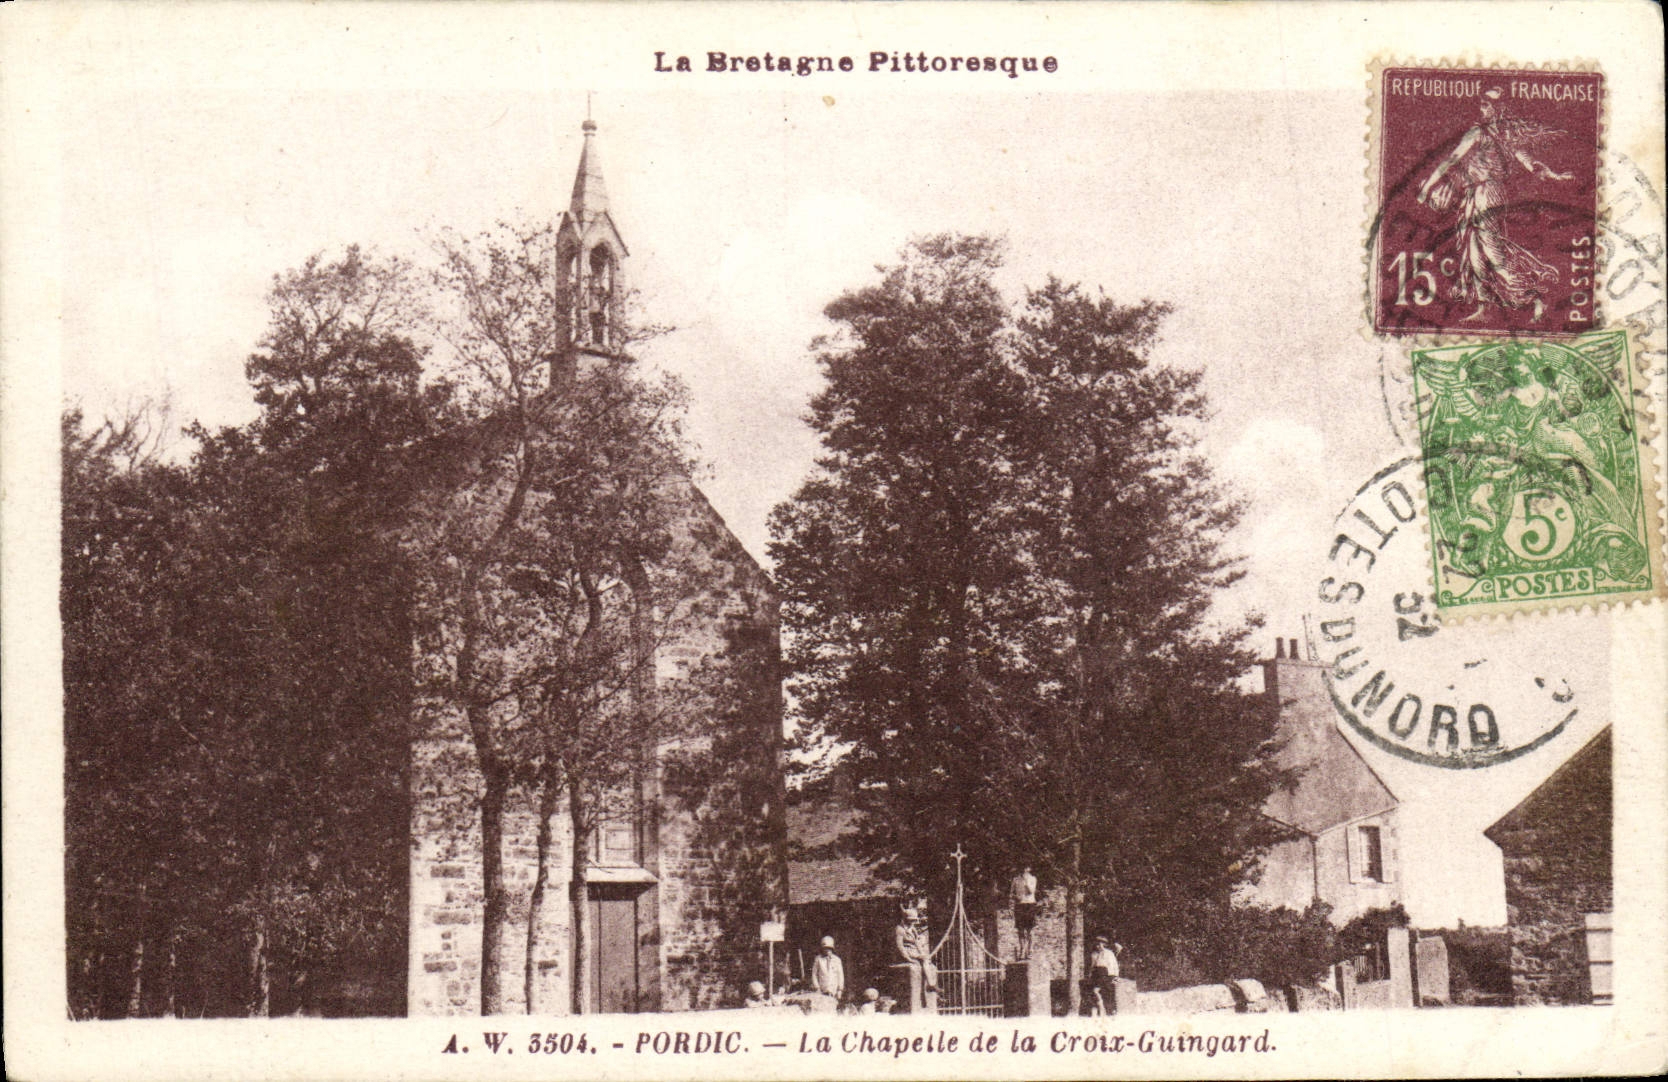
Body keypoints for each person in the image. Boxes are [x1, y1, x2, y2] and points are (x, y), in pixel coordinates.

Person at [1415, 88, 1573, 324]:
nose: (1483, 110)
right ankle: (1485, 306)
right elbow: (1532, 165)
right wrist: (1552, 174)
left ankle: (1534, 297)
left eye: (1487, 106)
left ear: (1497, 110)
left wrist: (1427, 187)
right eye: (1482, 105)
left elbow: (1451, 160)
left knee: (1491, 250)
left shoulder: (1478, 133)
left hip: (1486, 193)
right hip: (1479, 194)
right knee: (1474, 251)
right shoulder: (1503, 137)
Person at [893, 898, 939, 1008]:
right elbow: (900, 946)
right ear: (906, 919)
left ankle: (930, 984)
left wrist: (922, 952)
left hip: (915, 951)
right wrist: (908, 958)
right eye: (912, 920)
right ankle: (931, 984)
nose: (914, 922)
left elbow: (917, 942)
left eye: (914, 920)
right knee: (924, 960)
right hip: (908, 952)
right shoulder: (899, 929)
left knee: (926, 960)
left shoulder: (913, 929)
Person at [1089, 935, 1122, 1015]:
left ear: (1104, 944)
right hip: (1096, 974)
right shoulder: (1094, 954)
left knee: (1108, 992)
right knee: (1095, 991)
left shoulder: (1109, 953)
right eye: (1097, 944)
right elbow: (1092, 966)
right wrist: (1090, 974)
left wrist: (1115, 976)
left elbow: (1113, 965)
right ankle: (1099, 1008)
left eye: (1100, 944)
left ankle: (1111, 1010)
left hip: (1106, 974)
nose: (1098, 946)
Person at [1011, 866, 1039, 959]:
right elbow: (1011, 893)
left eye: (1026, 868)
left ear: (1029, 869)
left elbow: (1031, 891)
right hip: (1020, 905)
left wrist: (1026, 882)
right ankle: (1022, 950)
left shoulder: (1033, 879)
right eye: (1023, 868)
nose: (1024, 870)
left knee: (1030, 930)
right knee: (1020, 930)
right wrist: (1015, 896)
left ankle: (1030, 951)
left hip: (1030, 905)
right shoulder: (1015, 880)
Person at [811, 935, 846, 1001]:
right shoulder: (818, 959)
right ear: (822, 948)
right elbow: (814, 975)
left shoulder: (837, 960)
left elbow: (840, 976)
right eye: (825, 948)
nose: (827, 950)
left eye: (829, 948)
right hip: (822, 991)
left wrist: (840, 990)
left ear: (832, 948)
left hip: (833, 991)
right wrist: (817, 987)